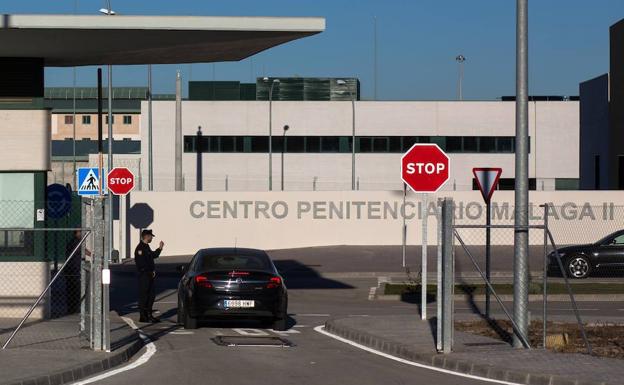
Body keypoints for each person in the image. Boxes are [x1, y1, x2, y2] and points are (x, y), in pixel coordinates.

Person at [135, 229, 164, 323]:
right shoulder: (140, 248)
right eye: (151, 236)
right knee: (144, 296)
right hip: (144, 275)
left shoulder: (146, 247)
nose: (152, 238)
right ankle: (143, 316)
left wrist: (160, 248)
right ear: (146, 236)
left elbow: (153, 255)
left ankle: (149, 314)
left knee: (151, 295)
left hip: (149, 275)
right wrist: (149, 272)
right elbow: (141, 264)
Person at [64, 230, 91, 314]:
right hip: (73, 269)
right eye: (80, 232)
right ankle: (73, 309)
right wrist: (93, 255)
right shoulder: (75, 242)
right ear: (76, 233)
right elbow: (84, 250)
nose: (82, 234)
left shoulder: (76, 242)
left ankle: (73, 308)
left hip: (73, 268)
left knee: (73, 290)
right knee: (74, 289)